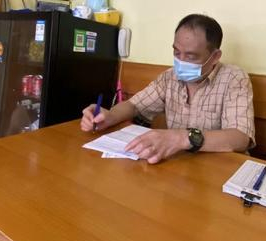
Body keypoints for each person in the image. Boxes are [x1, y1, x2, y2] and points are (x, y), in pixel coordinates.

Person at [81, 14, 255, 164]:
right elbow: (134, 105)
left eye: (191, 56)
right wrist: (109, 116)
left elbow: (240, 138)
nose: (181, 61)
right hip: (179, 165)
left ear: (215, 56)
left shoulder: (234, 78)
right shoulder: (169, 77)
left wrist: (181, 138)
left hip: (218, 169)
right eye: (177, 52)